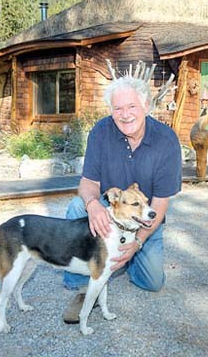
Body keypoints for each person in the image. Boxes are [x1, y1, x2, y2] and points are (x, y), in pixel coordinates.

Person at [62, 73, 182, 324]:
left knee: (153, 283)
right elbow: (88, 183)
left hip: (144, 217)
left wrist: (137, 242)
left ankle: (120, 258)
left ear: (146, 106)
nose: (125, 114)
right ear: (111, 110)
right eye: (118, 108)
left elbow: (160, 202)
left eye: (131, 107)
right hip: (111, 208)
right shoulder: (101, 132)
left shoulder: (166, 140)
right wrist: (93, 205)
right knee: (77, 207)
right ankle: (84, 286)